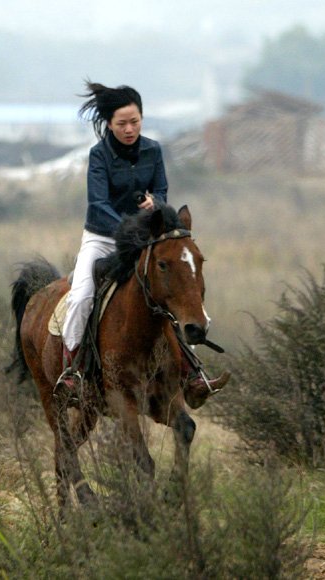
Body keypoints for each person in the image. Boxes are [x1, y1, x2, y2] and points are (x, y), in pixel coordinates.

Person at [58, 81, 229, 401]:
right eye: (121, 123)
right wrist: (129, 229)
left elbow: (162, 189)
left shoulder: (153, 150)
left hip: (147, 239)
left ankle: (192, 373)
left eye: (135, 121)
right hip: (103, 238)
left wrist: (156, 203)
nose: (129, 128)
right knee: (81, 296)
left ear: (142, 119)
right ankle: (73, 371)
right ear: (109, 124)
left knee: (170, 293)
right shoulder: (98, 155)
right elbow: (98, 205)